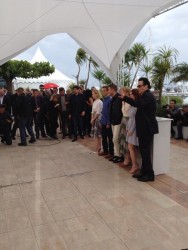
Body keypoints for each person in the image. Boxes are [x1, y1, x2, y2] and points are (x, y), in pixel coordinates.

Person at [122, 77, 158, 182]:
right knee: (143, 151)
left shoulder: (148, 96)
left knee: (145, 152)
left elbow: (138, 104)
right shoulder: (144, 95)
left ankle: (150, 175)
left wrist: (125, 98)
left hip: (147, 128)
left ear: (146, 86)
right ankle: (144, 172)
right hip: (143, 128)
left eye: (140, 86)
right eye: (137, 86)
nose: (138, 88)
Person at [124, 89, 139, 174]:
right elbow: (130, 118)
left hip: (134, 128)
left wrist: (131, 130)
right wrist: (127, 127)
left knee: (131, 147)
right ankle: (134, 164)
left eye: (131, 94)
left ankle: (134, 165)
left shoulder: (137, 105)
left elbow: (136, 119)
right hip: (130, 126)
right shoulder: (133, 104)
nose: (130, 96)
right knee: (132, 147)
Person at [108, 84, 123, 163]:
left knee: (115, 139)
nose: (108, 91)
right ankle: (116, 155)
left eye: (109, 89)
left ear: (113, 89)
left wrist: (118, 119)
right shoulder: (112, 98)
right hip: (113, 121)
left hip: (118, 121)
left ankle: (119, 155)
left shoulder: (119, 97)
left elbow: (120, 110)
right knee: (114, 139)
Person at [99, 86, 114, 157]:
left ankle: (111, 153)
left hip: (108, 122)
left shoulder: (110, 100)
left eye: (105, 90)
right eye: (102, 91)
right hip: (103, 121)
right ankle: (105, 151)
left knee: (110, 138)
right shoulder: (103, 99)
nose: (103, 92)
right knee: (104, 137)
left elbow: (110, 112)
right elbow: (103, 111)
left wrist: (108, 122)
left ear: (108, 91)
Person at [118, 87, 131, 166]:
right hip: (123, 120)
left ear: (126, 92)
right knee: (123, 139)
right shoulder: (123, 101)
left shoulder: (129, 101)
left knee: (127, 141)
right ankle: (126, 158)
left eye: (122, 91)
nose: (121, 93)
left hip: (128, 121)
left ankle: (128, 159)